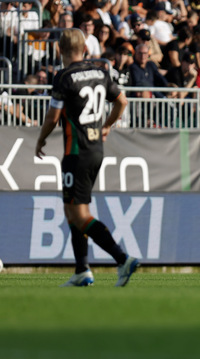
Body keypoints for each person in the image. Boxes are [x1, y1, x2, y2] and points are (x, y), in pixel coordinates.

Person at [34, 28, 138, 287]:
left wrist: (41, 139)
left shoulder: (64, 76)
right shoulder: (100, 72)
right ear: (85, 49)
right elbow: (122, 101)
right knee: (72, 211)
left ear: (59, 50)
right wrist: (107, 126)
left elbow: (53, 117)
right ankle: (82, 269)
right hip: (96, 151)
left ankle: (122, 258)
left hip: (76, 152)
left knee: (79, 215)